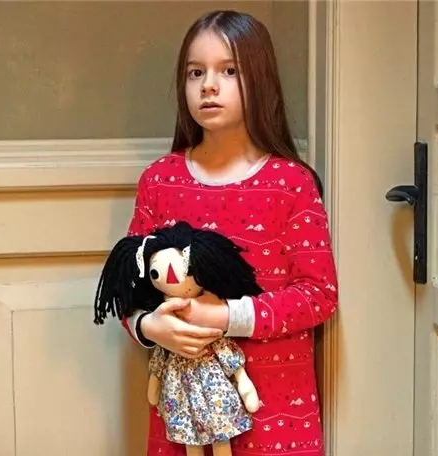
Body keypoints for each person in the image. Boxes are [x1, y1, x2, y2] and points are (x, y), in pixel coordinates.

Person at [121, 9, 338, 456]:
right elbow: (127, 287)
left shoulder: (290, 183)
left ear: (260, 79)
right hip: (182, 420)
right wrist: (149, 327)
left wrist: (224, 316)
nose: (208, 86)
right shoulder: (160, 182)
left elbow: (319, 295)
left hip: (277, 417)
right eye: (195, 72)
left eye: (229, 71)